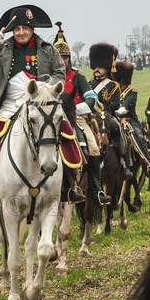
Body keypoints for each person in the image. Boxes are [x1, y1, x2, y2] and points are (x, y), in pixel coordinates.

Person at [0, 4, 66, 204]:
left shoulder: (48, 50)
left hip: (40, 102)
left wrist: (44, 87)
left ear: (32, 29)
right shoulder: (3, 48)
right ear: (12, 31)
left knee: (66, 132)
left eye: (25, 28)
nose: (21, 32)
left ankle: (70, 184)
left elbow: (60, 74)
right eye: (17, 29)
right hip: (9, 103)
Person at [53, 21, 110, 205]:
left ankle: (96, 190)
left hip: (74, 117)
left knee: (93, 147)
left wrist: (73, 109)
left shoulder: (78, 76)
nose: (62, 61)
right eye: (58, 57)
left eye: (65, 57)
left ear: (69, 58)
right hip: (48, 118)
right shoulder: (44, 76)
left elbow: (92, 99)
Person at [88, 42, 128, 171]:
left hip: (106, 115)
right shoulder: (88, 84)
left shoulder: (113, 85)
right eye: (96, 66)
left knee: (116, 127)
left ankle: (122, 159)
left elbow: (116, 104)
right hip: (90, 115)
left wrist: (103, 104)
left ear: (107, 68)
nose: (97, 69)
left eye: (101, 67)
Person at [113, 61, 150, 175]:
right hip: (115, 120)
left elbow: (125, 107)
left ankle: (147, 163)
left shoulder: (132, 92)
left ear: (121, 79)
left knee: (140, 137)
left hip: (129, 120)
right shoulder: (113, 91)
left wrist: (115, 112)